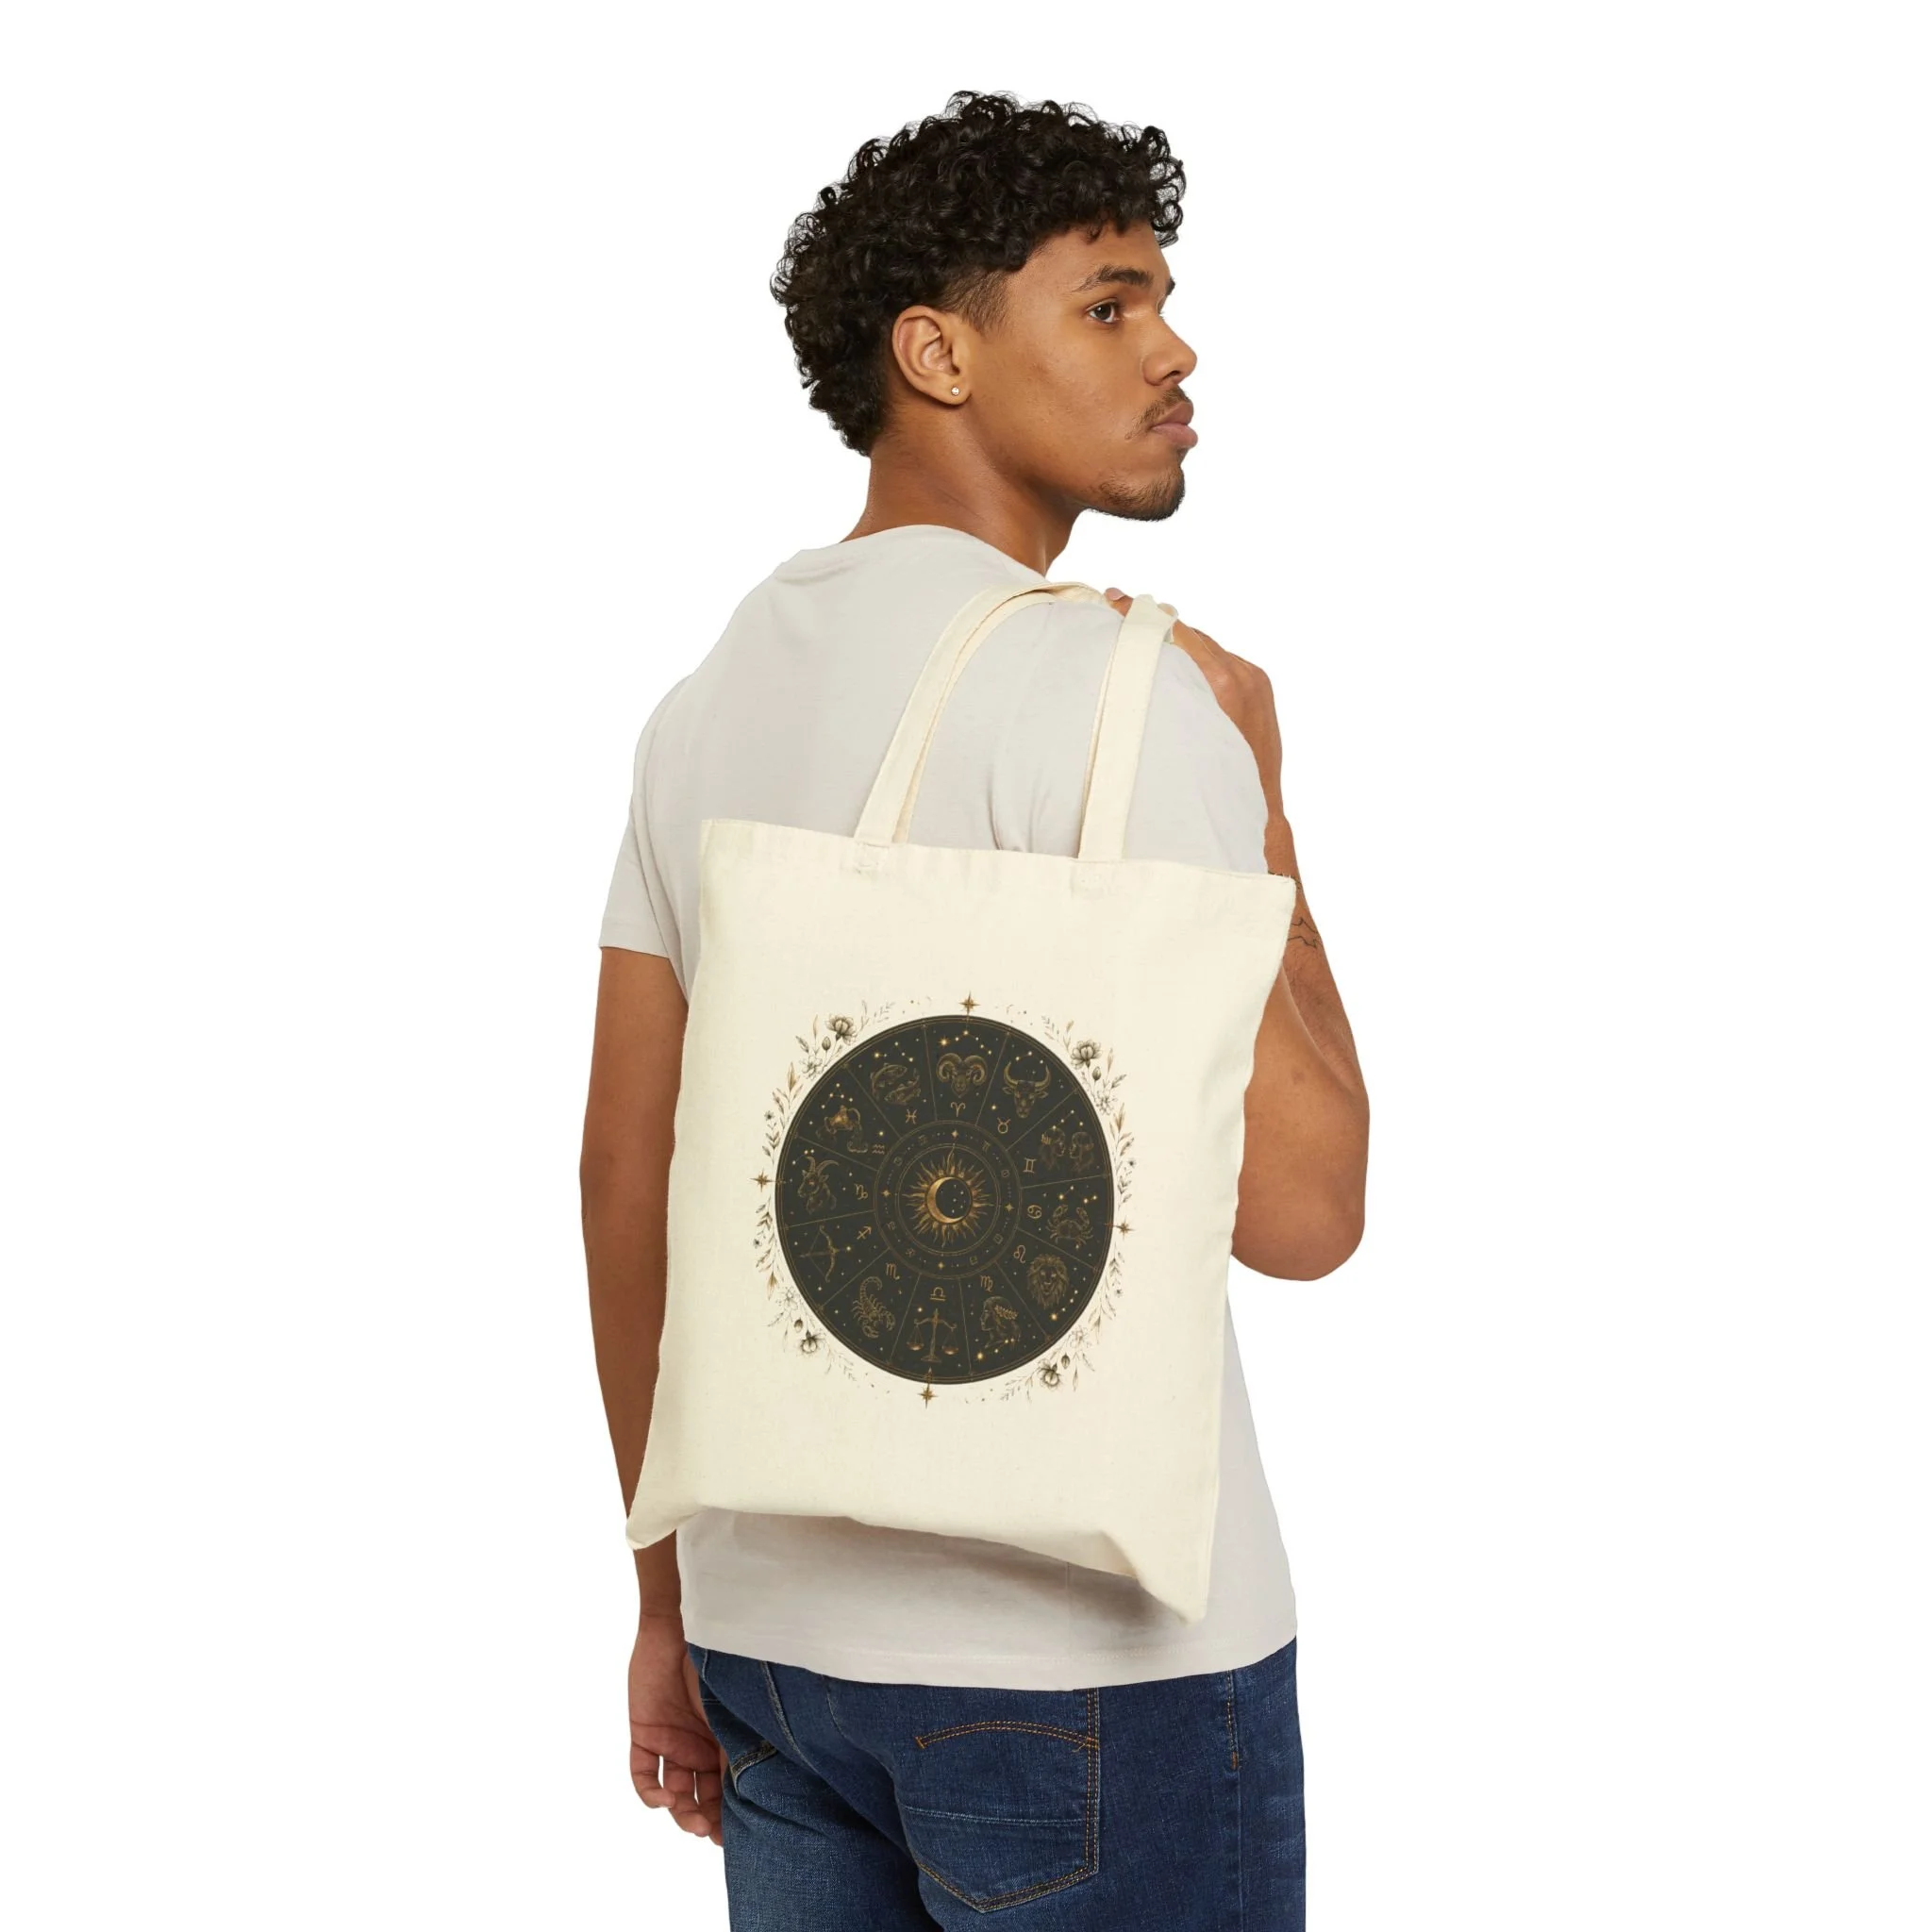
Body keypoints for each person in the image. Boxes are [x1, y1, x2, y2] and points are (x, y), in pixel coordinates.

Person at [579, 89, 1370, 1930]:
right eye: (1108, 303)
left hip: (770, 1646)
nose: (1173, 350)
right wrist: (1262, 801)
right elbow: (1307, 1211)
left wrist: (665, 1600)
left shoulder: (701, 706)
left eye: (1161, 297)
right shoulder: (1120, 693)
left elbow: (627, 1173)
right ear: (935, 353)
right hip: (1091, 1665)